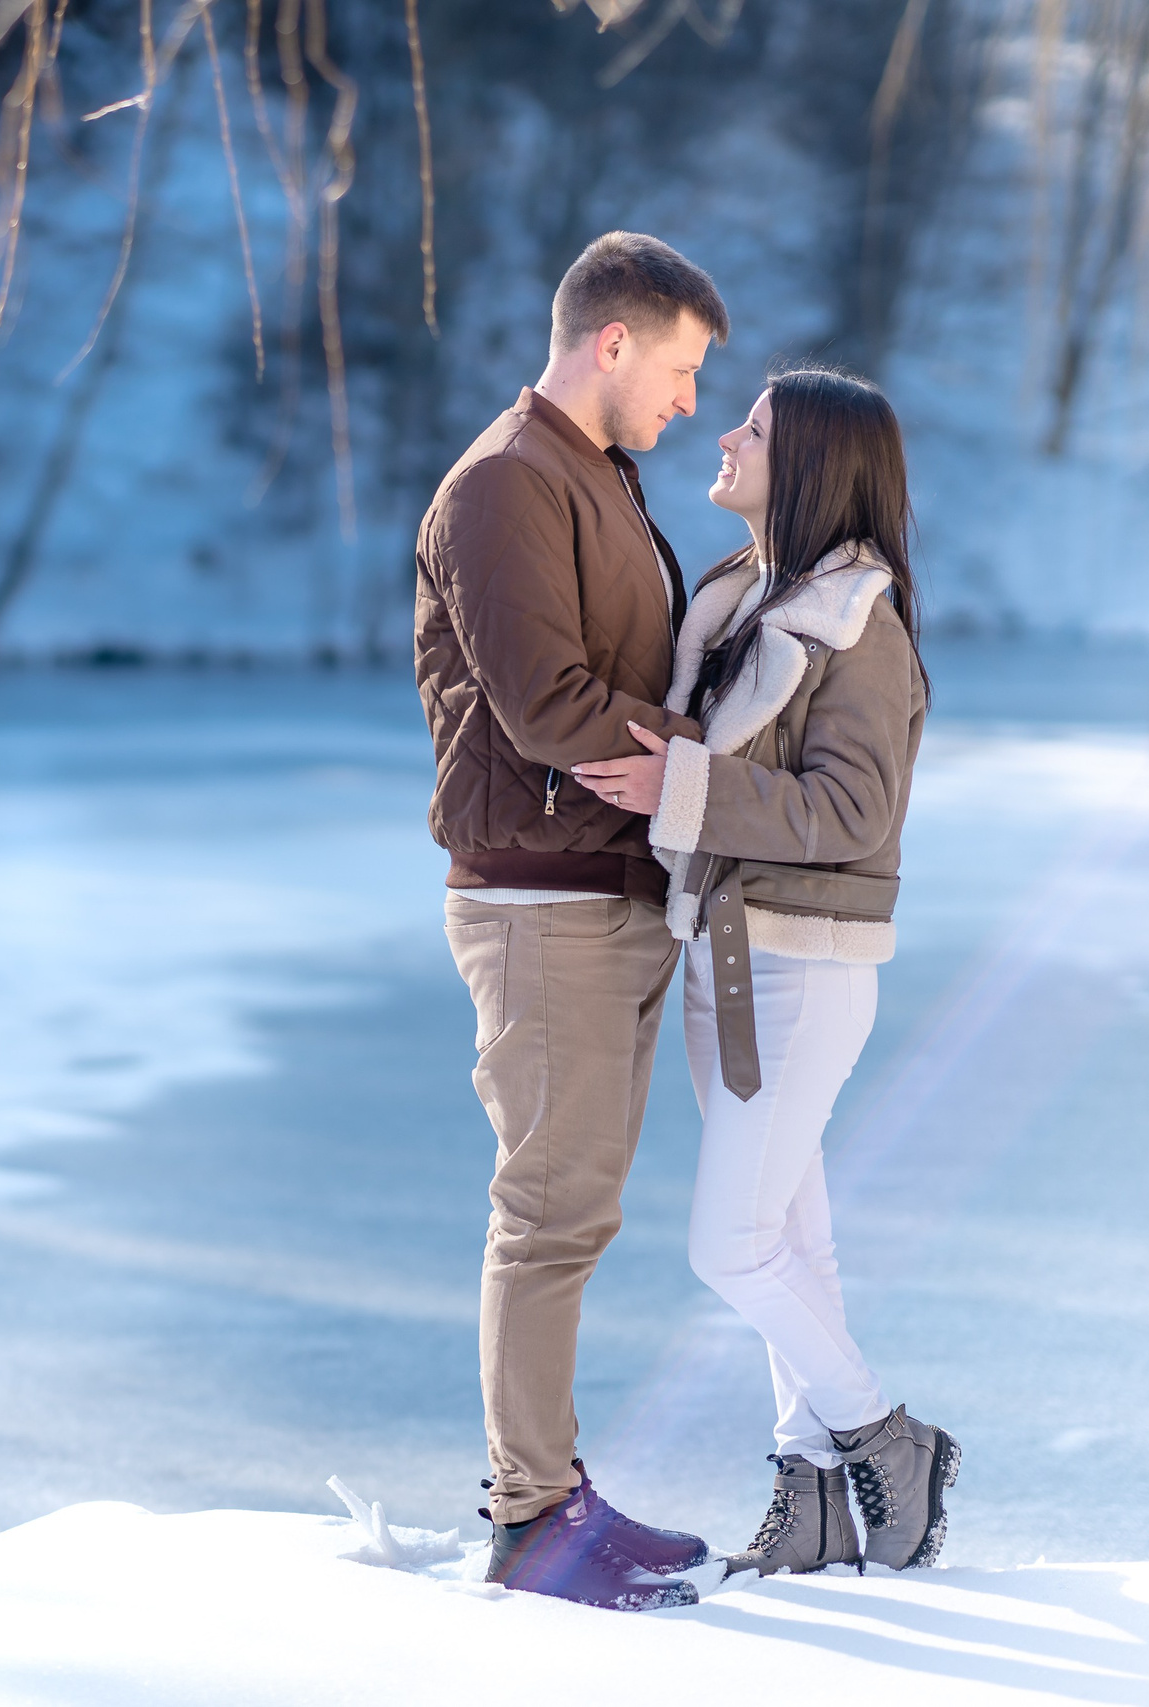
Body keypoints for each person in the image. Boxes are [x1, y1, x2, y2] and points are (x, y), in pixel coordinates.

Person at [569, 366, 960, 1579]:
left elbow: (853, 810)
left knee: (728, 1248)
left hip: (799, 966)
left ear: (812, 467)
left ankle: (888, 1442)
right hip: (727, 951)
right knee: (791, 1237)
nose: (726, 436)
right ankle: (815, 1496)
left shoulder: (860, 624)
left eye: (756, 428)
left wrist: (681, 785)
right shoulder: (746, 599)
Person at [413, 232, 728, 1610]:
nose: (690, 400)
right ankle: (529, 1515)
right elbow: (549, 710)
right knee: (547, 1214)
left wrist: (687, 767)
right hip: (541, 903)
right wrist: (706, 763)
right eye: (682, 365)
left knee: (579, 1209)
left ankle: (556, 1490)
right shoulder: (501, 485)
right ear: (613, 341)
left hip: (614, 893)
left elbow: (623, 705)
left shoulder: (596, 475)